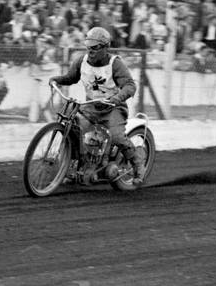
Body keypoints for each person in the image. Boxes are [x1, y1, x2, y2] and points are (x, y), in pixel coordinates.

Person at [49, 25, 145, 182]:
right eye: (88, 47)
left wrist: (117, 98)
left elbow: (130, 86)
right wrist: (56, 80)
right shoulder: (82, 61)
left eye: (94, 47)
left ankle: (138, 165)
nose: (90, 51)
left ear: (105, 47)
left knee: (116, 136)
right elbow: (71, 78)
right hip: (91, 107)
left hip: (113, 108)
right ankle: (75, 166)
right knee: (73, 126)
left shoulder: (115, 64)